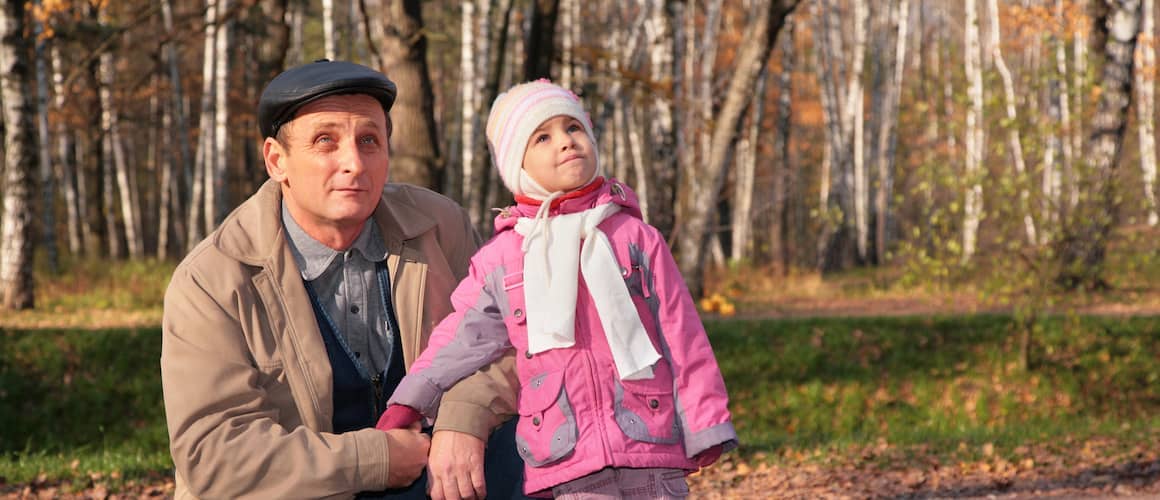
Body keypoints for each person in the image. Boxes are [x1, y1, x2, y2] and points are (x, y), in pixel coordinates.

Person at [160, 59, 525, 500]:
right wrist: (377, 458)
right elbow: (214, 455)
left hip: (436, 476)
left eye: (369, 140)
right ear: (277, 160)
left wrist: (464, 418)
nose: (354, 162)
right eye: (325, 141)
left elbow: (512, 344)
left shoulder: (439, 227)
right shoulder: (213, 279)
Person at [375, 79, 738, 499]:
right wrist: (413, 398)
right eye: (543, 137)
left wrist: (706, 423)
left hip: (649, 441)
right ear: (518, 165)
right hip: (565, 454)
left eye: (573, 128)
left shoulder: (636, 237)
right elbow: (462, 335)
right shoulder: (505, 257)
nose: (565, 142)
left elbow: (683, 335)